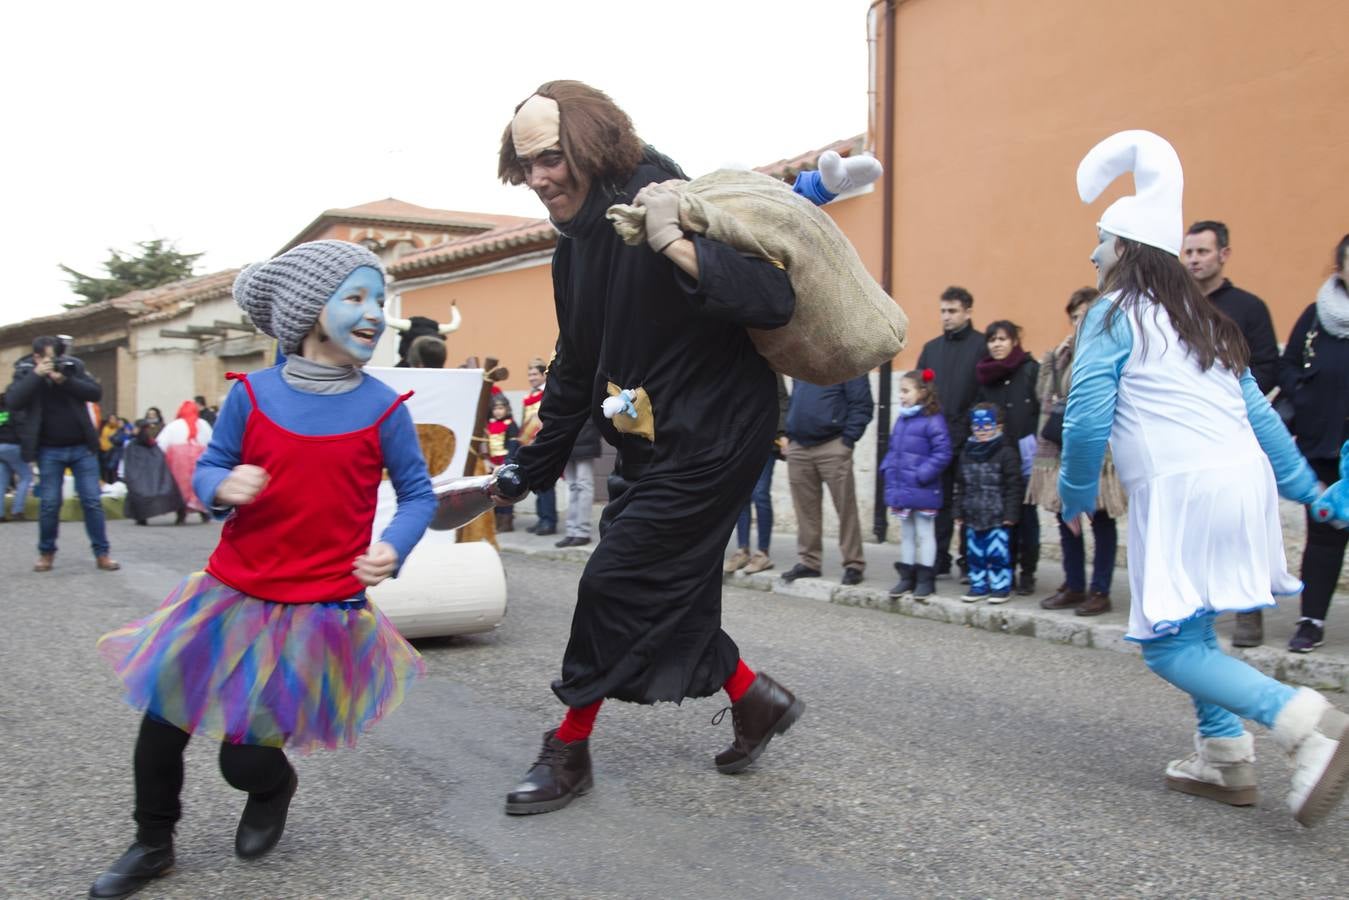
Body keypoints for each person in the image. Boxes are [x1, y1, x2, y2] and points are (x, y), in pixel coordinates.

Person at [89, 240, 436, 897]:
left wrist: (395, 544)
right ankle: (151, 842)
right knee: (162, 722)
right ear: (308, 312)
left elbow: (417, 493)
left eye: (377, 300)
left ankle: (272, 786)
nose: (374, 314)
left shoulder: (384, 408)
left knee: (244, 755)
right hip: (229, 591)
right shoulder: (251, 393)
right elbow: (212, 464)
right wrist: (223, 484)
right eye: (355, 298)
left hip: (317, 610)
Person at [496, 80, 805, 815]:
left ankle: (568, 746)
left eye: (550, 158)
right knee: (675, 595)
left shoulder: (662, 198)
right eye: (525, 164)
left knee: (616, 579)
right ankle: (753, 699)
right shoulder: (573, 245)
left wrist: (670, 238)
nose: (538, 178)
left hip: (718, 434)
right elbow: (574, 365)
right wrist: (521, 470)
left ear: (591, 143)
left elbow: (771, 299)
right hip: (650, 441)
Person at [1064, 129, 1348, 827]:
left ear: (1124, 249)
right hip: (1239, 485)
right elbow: (1260, 418)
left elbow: (1084, 416)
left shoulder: (1110, 311)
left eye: (1100, 240)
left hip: (1180, 489)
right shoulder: (1207, 320)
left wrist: (1073, 493)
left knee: (1166, 644)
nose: (1092, 253)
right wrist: (1306, 492)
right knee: (1190, 624)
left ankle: (1302, 724)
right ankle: (1222, 754)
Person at [1182, 220, 1282, 646]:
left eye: (1202, 252)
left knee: (1242, 522)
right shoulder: (1175, 306)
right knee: (1192, 521)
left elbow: (1270, 368)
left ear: (1223, 254)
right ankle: (1191, 605)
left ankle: (1249, 611)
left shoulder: (1248, 307)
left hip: (1235, 433)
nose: (1194, 260)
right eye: (1188, 253)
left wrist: (1225, 388)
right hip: (1186, 433)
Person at [1030, 288, 1127, 616]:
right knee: (1066, 515)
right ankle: (1073, 584)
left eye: (1084, 315)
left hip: (1097, 449)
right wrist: (1052, 362)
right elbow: (1043, 393)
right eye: (1074, 317)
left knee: (1100, 518)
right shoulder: (1062, 354)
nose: (1078, 322)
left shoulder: (1109, 351)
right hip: (1059, 447)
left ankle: (1100, 590)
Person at [1278, 233, 1349, 654]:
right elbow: (1286, 366)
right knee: (1322, 537)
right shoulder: (1315, 316)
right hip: (1323, 444)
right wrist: (1302, 394)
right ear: (1339, 267)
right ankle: (1311, 620)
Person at [7, 335, 118, 572]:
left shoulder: (72, 368)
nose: (52, 361)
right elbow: (13, 400)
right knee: (49, 503)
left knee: (92, 501)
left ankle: (102, 553)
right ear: (37, 357)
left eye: (55, 356)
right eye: (47, 357)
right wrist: (37, 375)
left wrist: (64, 380)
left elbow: (94, 393)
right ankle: (46, 553)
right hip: (48, 450)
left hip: (82, 448)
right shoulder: (25, 371)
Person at [915, 286, 989, 577]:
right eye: (943, 311)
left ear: (968, 312)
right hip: (937, 440)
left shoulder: (982, 346)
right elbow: (922, 389)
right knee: (940, 500)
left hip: (971, 438)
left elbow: (984, 392)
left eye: (952, 311)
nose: (946, 317)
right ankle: (939, 557)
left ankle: (969, 559)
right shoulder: (931, 349)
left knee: (971, 500)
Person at [781, 374, 874, 586]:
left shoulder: (849, 363)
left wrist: (848, 440)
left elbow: (862, 404)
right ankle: (810, 562)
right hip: (799, 446)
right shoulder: (804, 362)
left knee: (845, 508)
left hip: (833, 445)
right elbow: (793, 399)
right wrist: (788, 432)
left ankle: (853, 563)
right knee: (805, 510)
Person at [974, 320, 1041, 594]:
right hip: (997, 456)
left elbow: (1040, 408)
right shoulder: (985, 375)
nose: (997, 344)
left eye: (1003, 339)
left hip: (1026, 454)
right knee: (1003, 517)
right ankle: (1005, 568)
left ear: (1014, 341)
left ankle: (1028, 572)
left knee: (1026, 516)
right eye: (992, 340)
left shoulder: (1030, 369)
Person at [880, 368, 951, 600]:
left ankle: (925, 579)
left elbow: (943, 452)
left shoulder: (933, 419)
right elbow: (894, 449)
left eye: (905, 391)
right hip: (903, 486)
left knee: (924, 532)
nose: (901, 396)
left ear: (922, 392)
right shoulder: (902, 419)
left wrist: (922, 474)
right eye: (900, 391)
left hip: (923, 487)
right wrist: (888, 468)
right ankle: (906, 577)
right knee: (907, 533)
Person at [953, 403, 1023, 603]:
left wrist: (1011, 514)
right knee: (974, 554)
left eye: (987, 425)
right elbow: (960, 486)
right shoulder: (966, 453)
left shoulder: (1006, 453)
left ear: (998, 426)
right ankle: (979, 585)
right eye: (977, 425)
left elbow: (1013, 486)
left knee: (998, 554)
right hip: (972, 515)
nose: (981, 430)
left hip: (998, 516)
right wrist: (958, 511)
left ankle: (1001, 587)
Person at [724, 373, 789, 574]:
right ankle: (742, 550)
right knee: (741, 497)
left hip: (766, 439)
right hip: (740, 442)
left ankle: (762, 553)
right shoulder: (734, 365)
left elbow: (782, 399)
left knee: (760, 494)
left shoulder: (769, 364)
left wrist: (781, 433)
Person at [157, 400, 214, 523]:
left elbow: (161, 443)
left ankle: (181, 513)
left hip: (178, 461)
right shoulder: (202, 424)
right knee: (197, 485)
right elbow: (212, 440)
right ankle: (204, 512)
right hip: (200, 458)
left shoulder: (173, 425)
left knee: (180, 487)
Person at [121, 419, 186, 525]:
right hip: (149, 481)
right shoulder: (144, 445)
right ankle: (142, 517)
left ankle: (141, 517)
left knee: (142, 492)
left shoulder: (143, 446)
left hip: (149, 481)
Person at [521, 358, 557, 536]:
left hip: (544, 441)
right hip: (531, 442)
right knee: (535, 482)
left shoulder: (548, 393)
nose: (531, 377)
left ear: (544, 374)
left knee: (546, 483)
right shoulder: (529, 395)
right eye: (529, 374)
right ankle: (541, 518)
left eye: (534, 374)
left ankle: (549, 521)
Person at [557, 416, 601, 548]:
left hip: (586, 439)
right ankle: (571, 531)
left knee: (583, 485)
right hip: (566, 442)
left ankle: (582, 532)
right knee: (572, 486)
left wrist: (592, 434)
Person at [486, 393, 521, 532]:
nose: (498, 411)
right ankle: (496, 520)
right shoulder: (490, 424)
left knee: (505, 492)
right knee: (492, 493)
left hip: (504, 463)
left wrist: (507, 462)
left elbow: (513, 446)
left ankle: (507, 521)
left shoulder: (511, 424)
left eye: (501, 408)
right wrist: (487, 460)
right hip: (491, 463)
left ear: (507, 409)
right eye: (495, 408)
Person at [0, 387, 33, 521]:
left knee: (2, 482)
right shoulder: (14, 411)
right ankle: (17, 511)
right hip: (12, 446)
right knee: (26, 476)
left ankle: (0, 515)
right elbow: (21, 430)